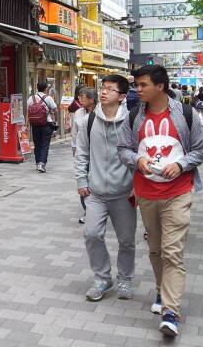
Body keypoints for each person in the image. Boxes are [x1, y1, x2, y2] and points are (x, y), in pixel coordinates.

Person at [117, 65, 203, 338]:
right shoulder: (133, 116)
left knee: (172, 251)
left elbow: (201, 150)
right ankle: (161, 289)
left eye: (142, 85)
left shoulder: (186, 115)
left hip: (179, 192)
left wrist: (181, 164)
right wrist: (137, 159)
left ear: (160, 86)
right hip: (146, 193)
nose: (137, 89)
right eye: (136, 85)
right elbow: (122, 149)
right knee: (156, 249)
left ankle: (171, 312)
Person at [75, 75, 136, 302]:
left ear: (121, 97)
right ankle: (102, 277)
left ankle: (125, 279)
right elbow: (81, 152)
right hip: (96, 192)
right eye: (102, 88)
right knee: (91, 234)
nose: (103, 92)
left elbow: (139, 156)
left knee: (127, 240)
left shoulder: (131, 121)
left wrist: (137, 185)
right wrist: (82, 180)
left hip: (124, 193)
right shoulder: (90, 121)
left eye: (110, 89)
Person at [70, 87, 97, 224]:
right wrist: (74, 149)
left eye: (82, 96)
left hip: (98, 154)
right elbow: (75, 133)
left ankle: (100, 209)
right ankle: (88, 210)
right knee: (83, 181)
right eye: (79, 96)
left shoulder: (101, 112)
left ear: (91, 99)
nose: (79, 99)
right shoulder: (79, 112)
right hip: (83, 153)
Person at [27, 81, 57, 172]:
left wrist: (26, 123)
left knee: (37, 144)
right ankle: (42, 164)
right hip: (46, 124)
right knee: (45, 144)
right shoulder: (48, 98)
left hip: (34, 124)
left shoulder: (31, 98)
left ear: (37, 88)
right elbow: (55, 109)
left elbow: (28, 111)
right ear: (46, 89)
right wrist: (51, 112)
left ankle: (37, 164)